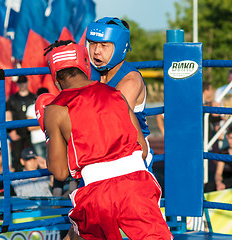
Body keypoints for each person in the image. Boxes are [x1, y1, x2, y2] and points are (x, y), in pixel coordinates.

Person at [38, 40, 172, 239]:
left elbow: (59, 172)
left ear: (55, 77)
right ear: (84, 63)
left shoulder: (55, 110)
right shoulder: (116, 94)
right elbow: (142, 149)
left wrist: (50, 134)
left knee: (80, 232)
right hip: (137, 185)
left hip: (96, 194)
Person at [86, 17, 153, 169]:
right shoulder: (90, 73)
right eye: (93, 44)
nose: (96, 51)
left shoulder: (130, 80)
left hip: (132, 155)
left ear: (120, 47)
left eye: (104, 45)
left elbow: (113, 125)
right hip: (99, 153)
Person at [6, 76, 36, 172]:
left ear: (27, 83)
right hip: (17, 131)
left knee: (33, 154)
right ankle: (18, 179)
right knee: (17, 155)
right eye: (20, 83)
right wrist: (11, 131)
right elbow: (8, 115)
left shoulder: (33, 97)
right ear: (17, 84)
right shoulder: (12, 98)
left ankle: (36, 176)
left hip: (32, 132)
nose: (22, 85)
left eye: (24, 82)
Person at [26, 87, 49, 159]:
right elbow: (30, 127)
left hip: (49, 138)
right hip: (37, 140)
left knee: (53, 162)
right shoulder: (31, 108)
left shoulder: (51, 106)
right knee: (41, 163)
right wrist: (47, 124)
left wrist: (41, 124)